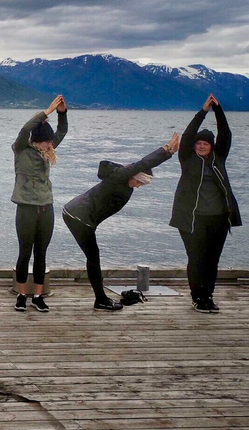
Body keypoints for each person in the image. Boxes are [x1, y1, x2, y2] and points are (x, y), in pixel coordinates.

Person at [63, 133, 180, 310]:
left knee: (93, 256)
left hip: (79, 216)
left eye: (144, 184)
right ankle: (101, 300)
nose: (140, 185)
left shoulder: (126, 185)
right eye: (140, 181)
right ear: (133, 175)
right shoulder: (120, 177)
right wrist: (166, 151)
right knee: (93, 258)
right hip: (79, 216)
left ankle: (100, 298)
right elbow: (143, 163)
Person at [170, 94, 241, 313]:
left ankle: (208, 296)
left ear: (212, 147)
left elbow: (225, 134)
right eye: (198, 143)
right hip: (191, 220)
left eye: (205, 144)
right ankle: (197, 297)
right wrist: (203, 112)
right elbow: (188, 133)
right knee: (196, 259)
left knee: (212, 261)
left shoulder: (219, 158)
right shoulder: (187, 159)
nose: (201, 146)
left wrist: (218, 110)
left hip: (218, 219)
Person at [12, 95, 68, 313]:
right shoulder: (21, 149)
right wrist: (47, 112)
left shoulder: (48, 151)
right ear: (36, 140)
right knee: (24, 253)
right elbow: (26, 128)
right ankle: (21, 295)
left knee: (41, 253)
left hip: (46, 208)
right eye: (46, 141)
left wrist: (62, 113)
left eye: (51, 142)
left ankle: (37, 296)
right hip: (25, 208)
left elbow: (61, 132)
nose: (50, 144)